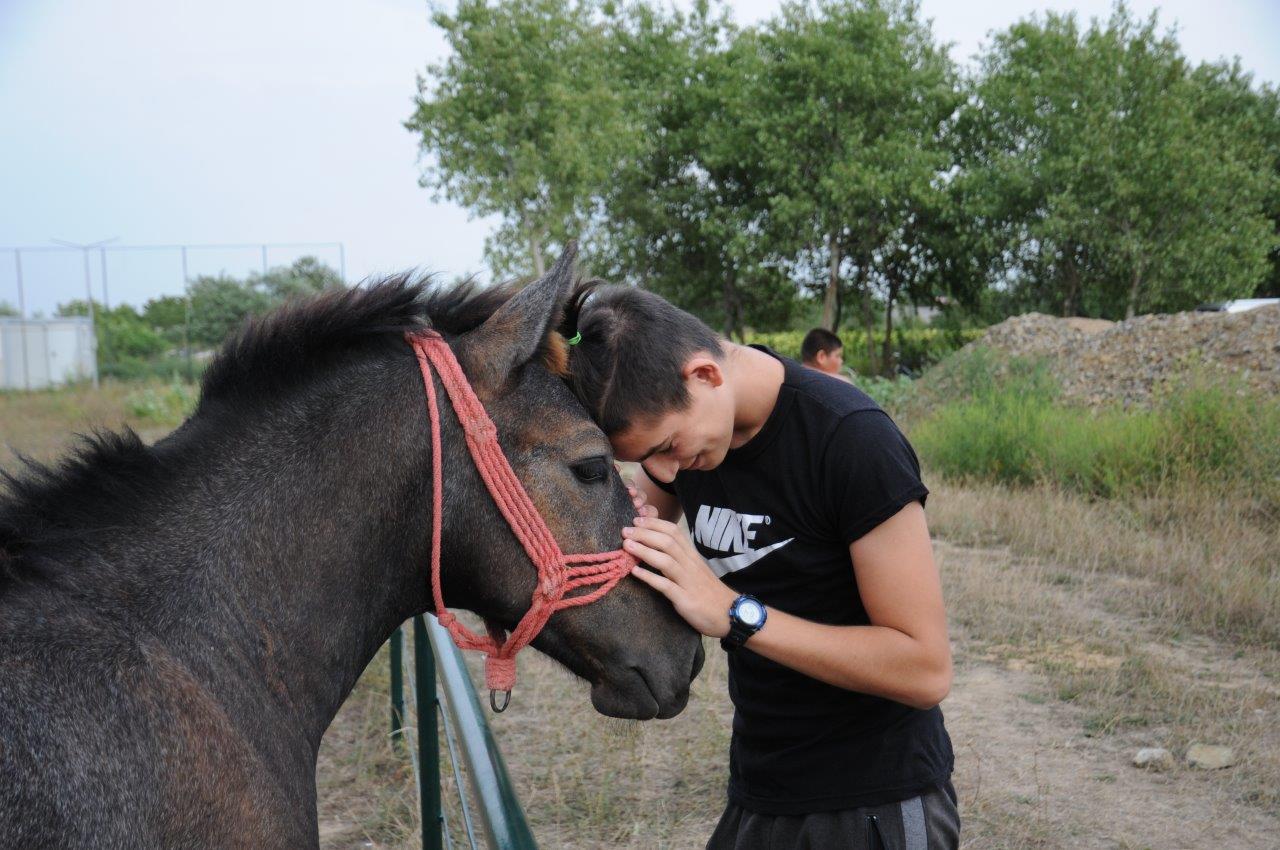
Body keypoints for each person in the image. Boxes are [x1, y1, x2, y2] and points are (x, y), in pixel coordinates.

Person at [562, 284, 959, 850]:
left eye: (667, 446)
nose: (663, 472)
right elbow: (623, 533)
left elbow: (925, 670)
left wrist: (734, 613)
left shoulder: (850, 438)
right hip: (761, 785)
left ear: (705, 375)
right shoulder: (698, 437)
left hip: (873, 798)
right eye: (643, 459)